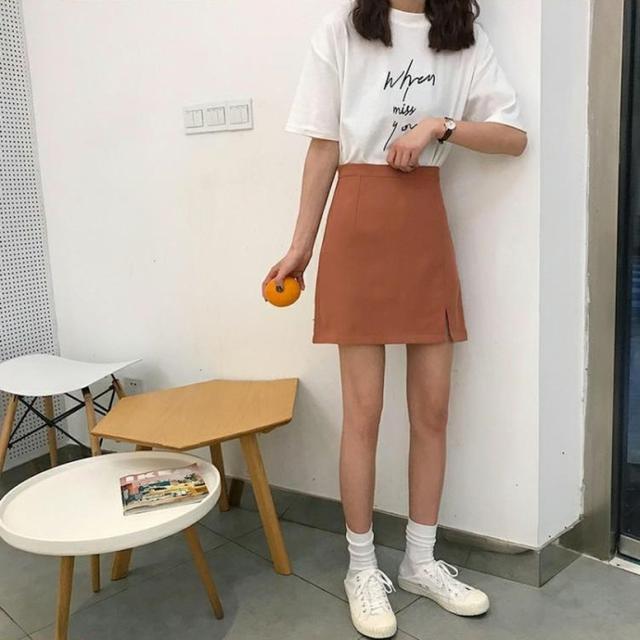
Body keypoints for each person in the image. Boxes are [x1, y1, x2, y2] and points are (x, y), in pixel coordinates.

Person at [262, 0, 527, 637]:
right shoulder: (343, 28)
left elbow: (512, 138)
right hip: (357, 222)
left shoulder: (462, 37)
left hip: (423, 225)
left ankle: (420, 562)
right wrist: (301, 246)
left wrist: (440, 126)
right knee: (364, 412)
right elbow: (324, 148)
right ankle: (361, 567)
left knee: (432, 410)